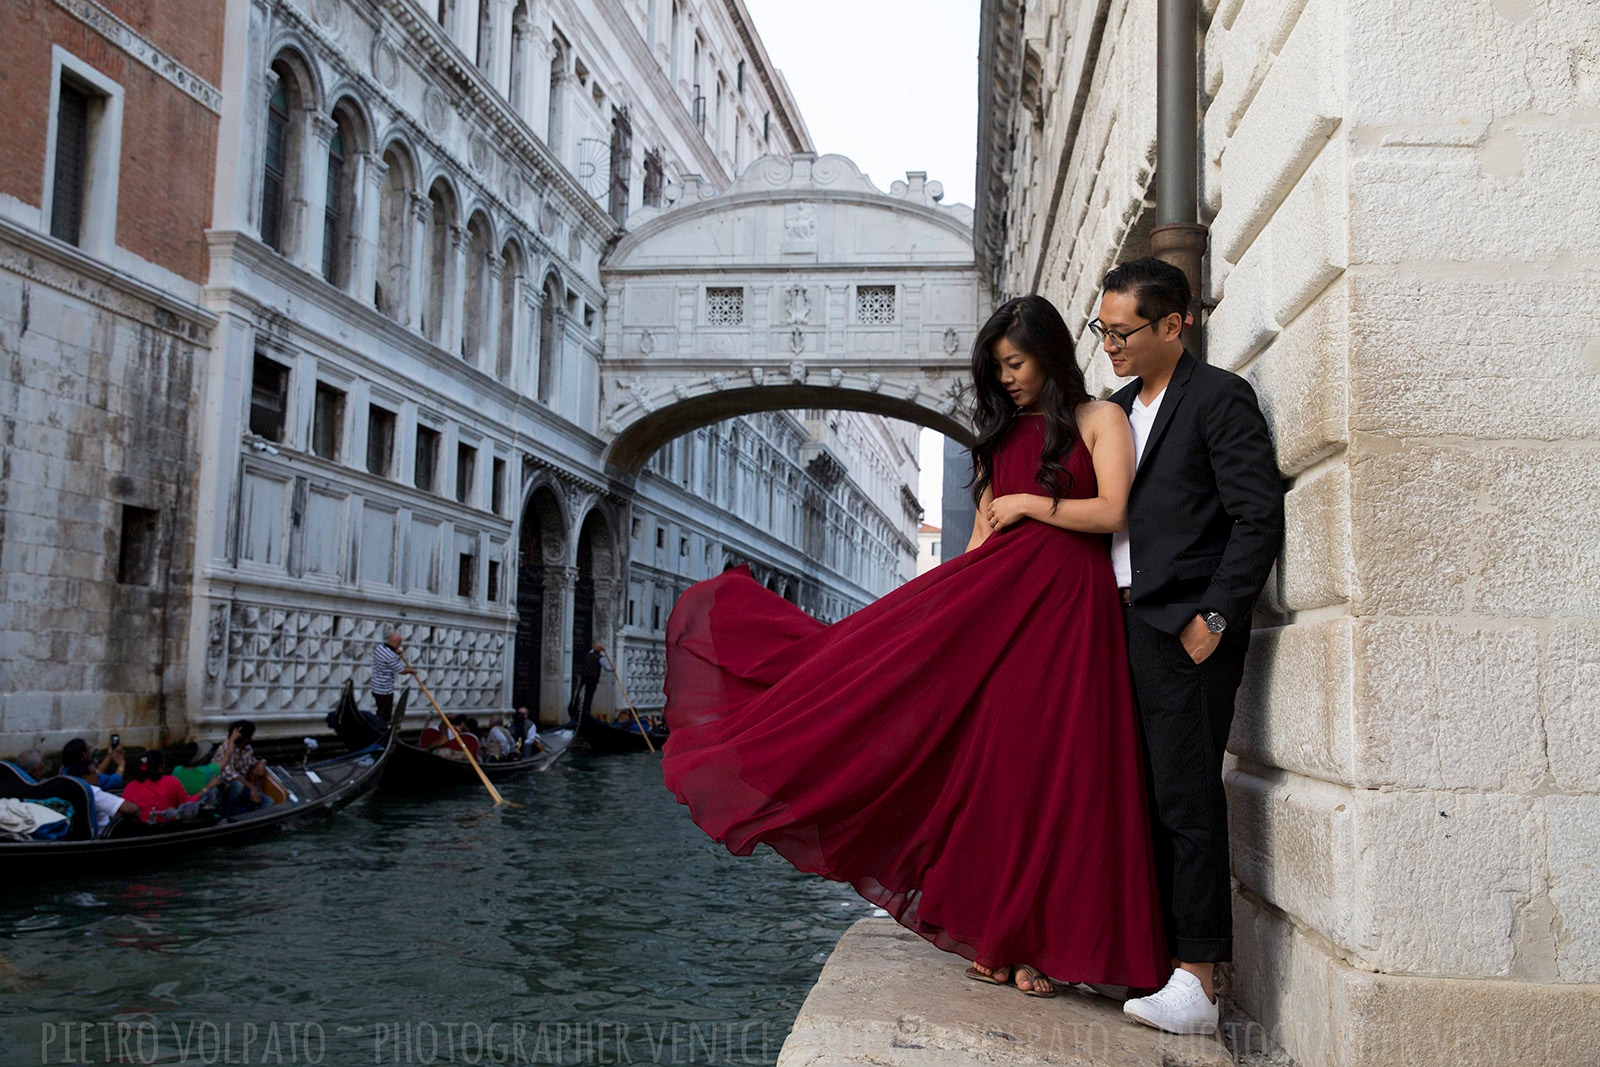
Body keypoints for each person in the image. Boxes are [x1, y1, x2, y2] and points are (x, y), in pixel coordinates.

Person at [661, 295, 1169, 995]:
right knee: (1004, 772)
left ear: (1050, 355)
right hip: (1000, 615)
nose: (1008, 378)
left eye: (1016, 363)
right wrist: (930, 611)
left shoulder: (1100, 418)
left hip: (1073, 616)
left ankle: (1049, 946)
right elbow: (979, 543)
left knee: (1067, 772)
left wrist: (1028, 504)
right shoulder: (1000, 440)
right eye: (998, 368)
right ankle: (1006, 934)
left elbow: (1114, 510)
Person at [1092, 258, 1285, 1035]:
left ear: (1177, 324)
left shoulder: (1218, 400)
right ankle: (1150, 957)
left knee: (1185, 797)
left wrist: (1214, 618)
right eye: (1101, 330)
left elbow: (1257, 515)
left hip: (1182, 631)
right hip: (1115, 625)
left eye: (1123, 331)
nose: (1110, 345)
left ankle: (1199, 980)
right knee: (1132, 792)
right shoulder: (1110, 409)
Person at [62, 749, 138, 835]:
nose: (98, 775)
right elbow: (130, 808)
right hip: (101, 835)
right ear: (84, 777)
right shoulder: (91, 791)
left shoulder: (64, 786)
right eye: (94, 773)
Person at [121, 752, 207, 823]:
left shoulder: (130, 786)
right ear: (160, 767)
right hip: (166, 828)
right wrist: (204, 790)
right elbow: (186, 804)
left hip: (140, 829)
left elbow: (122, 811)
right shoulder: (171, 782)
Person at [216, 720, 273, 817]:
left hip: (244, 787)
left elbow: (252, 763)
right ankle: (226, 817)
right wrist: (251, 788)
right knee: (237, 785)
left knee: (268, 802)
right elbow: (230, 773)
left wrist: (262, 762)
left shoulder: (247, 748)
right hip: (224, 787)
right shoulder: (225, 748)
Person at [370, 629, 415, 723]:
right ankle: (381, 728)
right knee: (384, 714)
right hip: (384, 689)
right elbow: (401, 670)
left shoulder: (379, 648)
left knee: (380, 710)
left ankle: (379, 726)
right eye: (399, 644)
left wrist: (395, 652)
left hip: (375, 686)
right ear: (397, 644)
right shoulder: (391, 656)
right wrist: (412, 670)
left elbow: (388, 659)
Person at [565, 643, 608, 724]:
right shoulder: (600, 658)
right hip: (592, 679)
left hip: (584, 678)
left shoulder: (588, 655)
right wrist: (613, 669)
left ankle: (577, 713)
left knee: (579, 694)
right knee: (588, 697)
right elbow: (607, 668)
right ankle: (585, 713)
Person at [60, 737, 124, 790]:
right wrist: (121, 764)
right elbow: (114, 781)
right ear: (84, 754)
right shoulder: (88, 776)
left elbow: (97, 773)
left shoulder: (63, 770)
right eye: (88, 749)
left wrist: (109, 756)